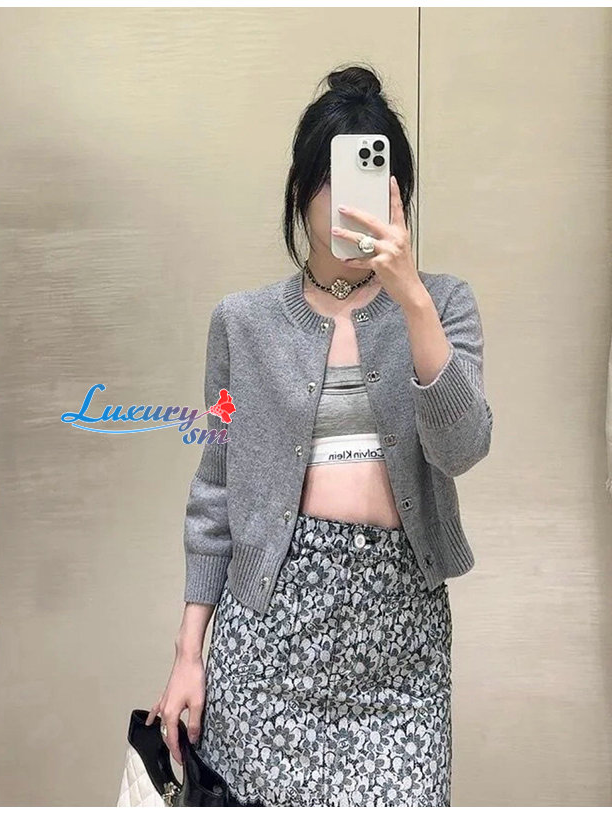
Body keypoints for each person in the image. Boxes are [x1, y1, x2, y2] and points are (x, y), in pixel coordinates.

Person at [146, 62, 493, 807]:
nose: (349, 204)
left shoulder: (444, 306)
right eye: (332, 181)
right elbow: (215, 492)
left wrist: (411, 299)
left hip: (400, 650)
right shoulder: (242, 323)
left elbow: (462, 448)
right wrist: (187, 652)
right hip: (268, 642)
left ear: (398, 195)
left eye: (370, 181)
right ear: (301, 190)